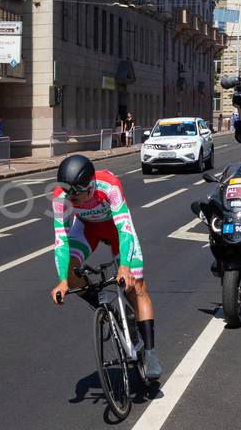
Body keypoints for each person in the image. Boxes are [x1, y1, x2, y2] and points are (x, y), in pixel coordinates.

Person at [48, 154, 161, 387]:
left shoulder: (109, 184)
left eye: (76, 196)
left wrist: (124, 267)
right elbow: (61, 242)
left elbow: (126, 230)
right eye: (69, 195)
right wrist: (62, 280)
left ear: (90, 187)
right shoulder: (61, 196)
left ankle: (150, 353)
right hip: (88, 229)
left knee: (136, 286)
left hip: (116, 230)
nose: (72, 201)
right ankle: (102, 306)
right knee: (70, 273)